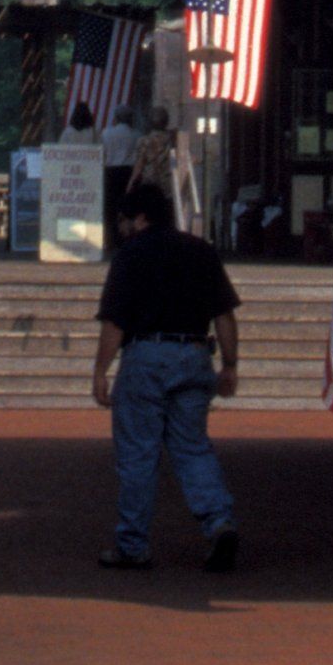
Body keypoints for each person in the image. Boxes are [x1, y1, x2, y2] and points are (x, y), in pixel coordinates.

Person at [88, 180, 240, 572]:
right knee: (192, 447)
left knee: (139, 454)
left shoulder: (131, 255)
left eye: (123, 221)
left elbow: (115, 323)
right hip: (194, 353)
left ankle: (133, 545)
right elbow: (224, 315)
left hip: (145, 356)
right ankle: (218, 521)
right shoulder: (201, 251)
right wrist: (230, 365)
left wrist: (101, 371)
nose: (120, 229)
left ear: (140, 218)